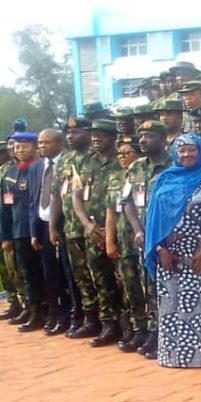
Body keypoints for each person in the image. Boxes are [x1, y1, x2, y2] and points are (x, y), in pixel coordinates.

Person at [142, 134, 201, 368]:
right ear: (175, 154)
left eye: (192, 150)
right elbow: (152, 219)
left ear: (200, 152)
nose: (187, 155)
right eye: (182, 151)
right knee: (171, 307)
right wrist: (160, 249)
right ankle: (173, 356)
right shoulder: (164, 180)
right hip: (170, 257)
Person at [122, 120, 173, 359]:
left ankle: (163, 332)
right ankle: (150, 330)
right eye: (141, 135)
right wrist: (138, 230)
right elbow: (126, 202)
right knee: (145, 286)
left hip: (167, 238)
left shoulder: (174, 166)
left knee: (163, 287)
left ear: (163, 139)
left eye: (149, 136)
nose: (142, 140)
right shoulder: (135, 168)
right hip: (142, 237)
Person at [72, 120, 124, 347]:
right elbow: (76, 195)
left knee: (123, 279)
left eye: (101, 135)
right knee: (100, 279)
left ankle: (129, 324)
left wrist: (112, 229)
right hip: (93, 230)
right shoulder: (86, 162)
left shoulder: (122, 159)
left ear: (113, 137)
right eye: (93, 135)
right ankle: (108, 324)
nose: (95, 139)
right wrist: (87, 225)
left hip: (119, 229)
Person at [104, 134, 148, 352]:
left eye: (127, 153)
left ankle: (151, 329)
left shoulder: (145, 174)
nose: (122, 157)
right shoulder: (115, 179)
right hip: (123, 241)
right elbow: (110, 212)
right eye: (119, 153)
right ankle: (137, 329)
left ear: (138, 155)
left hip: (142, 239)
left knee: (146, 288)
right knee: (129, 287)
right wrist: (110, 241)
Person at [49, 118, 91, 337]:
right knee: (76, 277)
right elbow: (56, 195)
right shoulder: (65, 160)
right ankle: (83, 318)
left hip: (95, 229)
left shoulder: (96, 158)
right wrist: (52, 226)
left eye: (76, 132)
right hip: (71, 228)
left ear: (88, 133)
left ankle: (110, 322)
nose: (70, 136)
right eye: (68, 133)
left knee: (102, 278)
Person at [27, 129, 72, 336]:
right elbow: (33, 200)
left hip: (64, 225)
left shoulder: (68, 163)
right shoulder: (37, 167)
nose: (42, 146)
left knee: (67, 273)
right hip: (43, 225)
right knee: (50, 274)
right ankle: (55, 314)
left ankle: (70, 315)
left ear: (60, 143)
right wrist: (34, 231)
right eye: (40, 142)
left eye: (47, 142)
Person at [2, 130, 44, 332]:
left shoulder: (40, 169)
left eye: (25, 146)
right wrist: (6, 235)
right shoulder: (10, 173)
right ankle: (33, 310)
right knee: (27, 274)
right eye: (17, 147)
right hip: (19, 230)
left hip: (39, 229)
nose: (20, 150)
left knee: (44, 272)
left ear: (35, 147)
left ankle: (48, 310)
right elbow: (5, 207)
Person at [0, 137, 23, 323]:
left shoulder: (12, 170)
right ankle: (14, 300)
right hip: (4, 223)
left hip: (12, 225)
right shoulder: (6, 170)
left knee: (16, 266)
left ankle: (25, 303)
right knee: (5, 268)